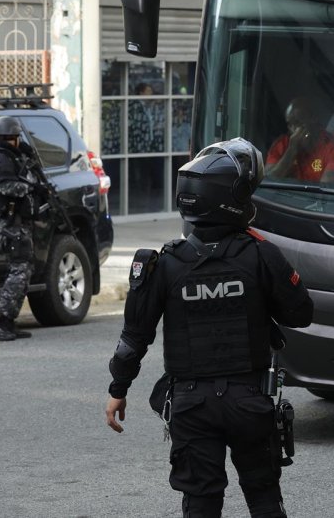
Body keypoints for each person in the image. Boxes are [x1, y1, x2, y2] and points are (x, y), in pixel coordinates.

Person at [103, 138, 314, 517]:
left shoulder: (164, 264)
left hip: (191, 404)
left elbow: (134, 337)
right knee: (264, 498)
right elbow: (301, 313)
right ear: (231, 199)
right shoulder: (261, 254)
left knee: (200, 503)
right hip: (249, 400)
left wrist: (118, 390)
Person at [0, 115, 42, 341]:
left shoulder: (13, 157)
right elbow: (6, 187)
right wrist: (31, 187)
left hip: (19, 223)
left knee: (23, 270)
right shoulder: (0, 159)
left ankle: (8, 321)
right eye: (16, 138)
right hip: (10, 225)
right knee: (19, 271)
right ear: (10, 137)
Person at [265, 96, 334, 185]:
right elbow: (267, 181)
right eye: (290, 125)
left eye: (298, 123)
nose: (295, 130)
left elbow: (326, 189)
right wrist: (291, 152)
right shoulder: (282, 145)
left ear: (313, 118)